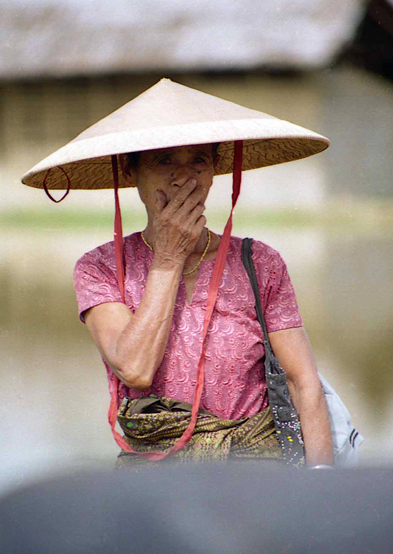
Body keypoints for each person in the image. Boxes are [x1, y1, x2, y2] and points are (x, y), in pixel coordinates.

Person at [22, 78, 333, 466]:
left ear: (215, 170)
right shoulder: (100, 268)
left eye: (198, 160)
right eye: (164, 159)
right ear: (131, 169)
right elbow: (134, 369)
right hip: (158, 478)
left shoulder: (260, 262)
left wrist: (321, 483)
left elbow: (303, 383)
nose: (183, 176)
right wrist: (168, 257)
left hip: (257, 472)